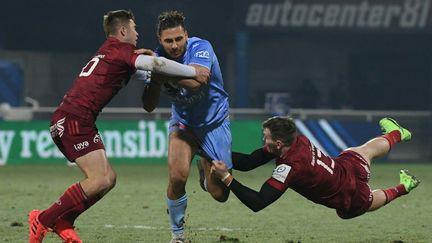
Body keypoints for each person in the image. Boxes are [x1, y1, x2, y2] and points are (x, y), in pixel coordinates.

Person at [28, 9, 209, 243]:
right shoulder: (122, 50)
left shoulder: (110, 52)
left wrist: (163, 75)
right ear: (123, 30)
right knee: (99, 180)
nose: (137, 33)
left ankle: (64, 220)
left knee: (108, 178)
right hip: (74, 120)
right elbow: (156, 64)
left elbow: (148, 72)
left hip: (75, 119)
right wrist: (193, 71)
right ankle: (43, 219)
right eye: (134, 28)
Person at [211, 116, 420, 219]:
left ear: (278, 143)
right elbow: (249, 162)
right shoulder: (296, 139)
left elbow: (258, 202)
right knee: (364, 151)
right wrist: (210, 152)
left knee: (367, 201)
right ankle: (397, 134)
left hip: (350, 193)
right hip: (346, 166)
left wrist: (226, 177)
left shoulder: (290, 167)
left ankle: (403, 187)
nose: (262, 141)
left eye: (265, 138)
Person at [141, 10, 232, 243]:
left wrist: (162, 73)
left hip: (215, 123)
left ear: (186, 36)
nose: (174, 46)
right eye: (168, 41)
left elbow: (198, 81)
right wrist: (153, 77)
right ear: (160, 41)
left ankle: (205, 167)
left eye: (178, 39)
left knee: (219, 194)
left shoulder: (201, 46)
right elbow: (149, 106)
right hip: (183, 123)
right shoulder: (157, 59)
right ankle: (178, 236)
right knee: (178, 177)